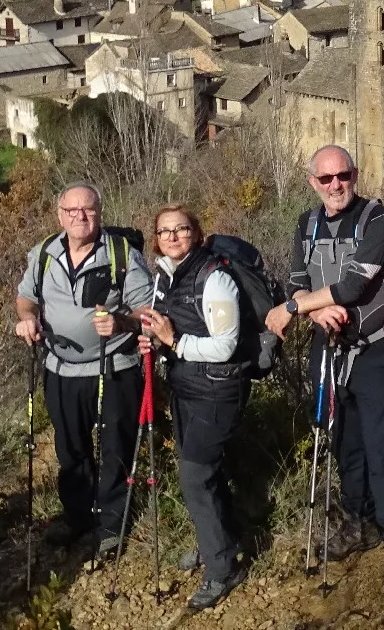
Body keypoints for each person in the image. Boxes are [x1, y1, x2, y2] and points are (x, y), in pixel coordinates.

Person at [264, 145, 384, 600]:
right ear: (312, 182)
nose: (336, 185)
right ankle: (362, 521)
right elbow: (296, 279)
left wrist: (294, 308)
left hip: (373, 352)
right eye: (326, 178)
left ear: (355, 174)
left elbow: (353, 286)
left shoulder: (380, 221)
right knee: (345, 443)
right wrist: (313, 313)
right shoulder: (307, 224)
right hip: (327, 349)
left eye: (343, 175)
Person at [12, 182, 154, 559]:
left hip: (115, 367)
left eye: (88, 209)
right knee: (70, 448)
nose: (80, 216)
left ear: (100, 212)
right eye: (72, 210)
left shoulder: (122, 254)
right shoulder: (43, 252)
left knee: (114, 448)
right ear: (60, 215)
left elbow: (147, 313)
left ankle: (112, 524)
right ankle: (77, 517)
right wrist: (27, 319)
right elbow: (27, 297)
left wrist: (122, 323)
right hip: (59, 368)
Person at [136, 204, 251, 610]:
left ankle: (222, 570)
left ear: (197, 233)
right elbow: (171, 328)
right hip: (187, 388)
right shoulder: (166, 275)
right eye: (165, 231)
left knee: (195, 477)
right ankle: (218, 541)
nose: (172, 237)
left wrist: (173, 341)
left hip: (217, 392)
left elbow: (226, 344)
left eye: (181, 229)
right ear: (157, 238)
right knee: (204, 472)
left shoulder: (215, 279)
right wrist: (154, 340)